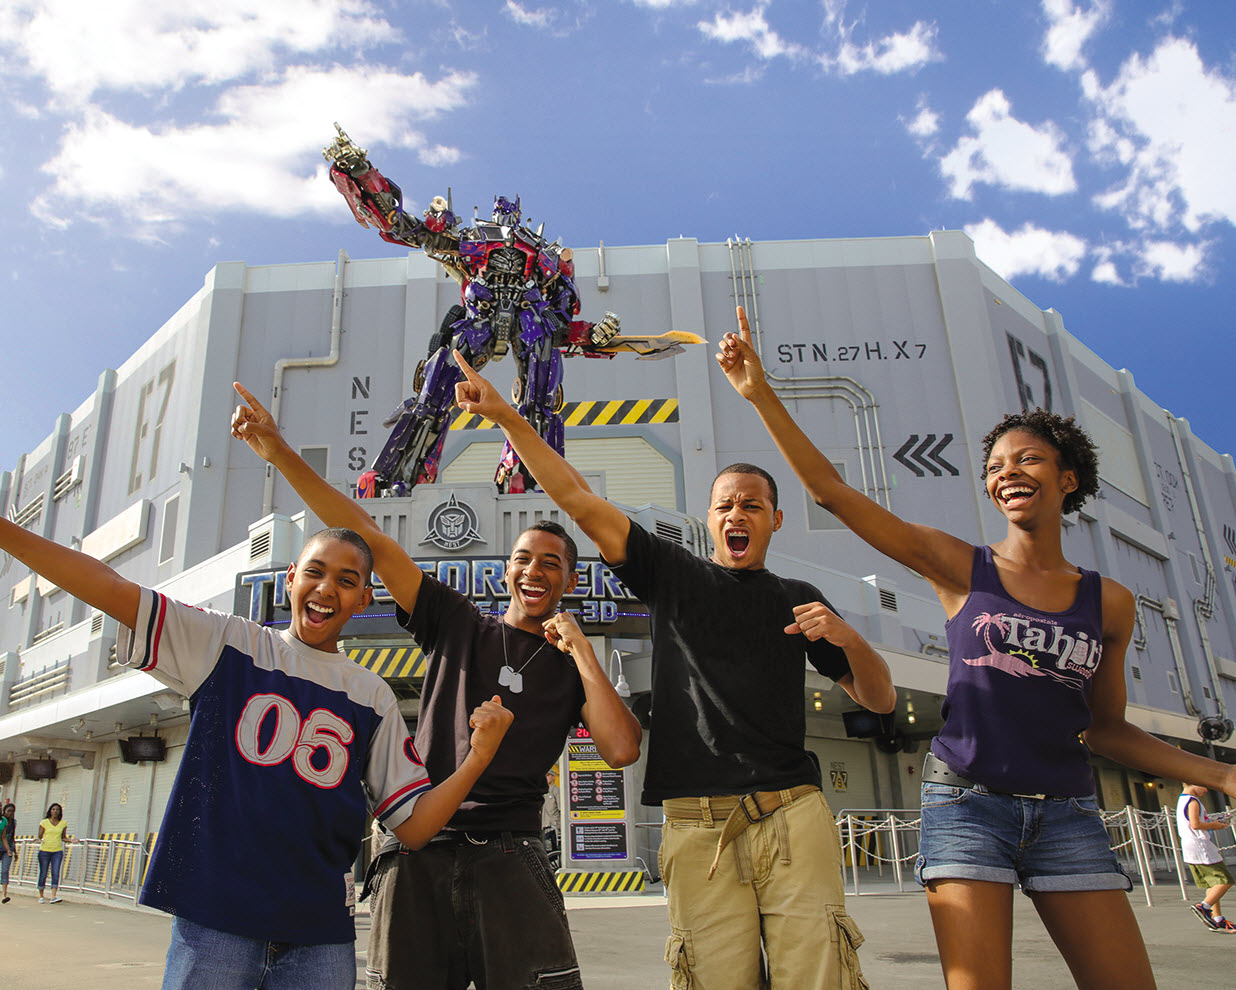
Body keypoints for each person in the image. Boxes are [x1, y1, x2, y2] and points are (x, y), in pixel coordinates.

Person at [713, 306, 1236, 990]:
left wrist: (1223, 775)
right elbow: (834, 494)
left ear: (1068, 478)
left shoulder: (1110, 603)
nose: (1007, 472)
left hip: (1069, 814)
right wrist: (760, 394)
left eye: (1028, 459)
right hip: (966, 806)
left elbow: (1106, 729)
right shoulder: (961, 566)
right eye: (995, 466)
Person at [0, 457, 513, 990]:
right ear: (290, 581)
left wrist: (478, 758)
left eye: (347, 580)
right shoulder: (227, 644)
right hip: (217, 921)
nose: (327, 589)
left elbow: (411, 826)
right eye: (315, 572)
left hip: (320, 937)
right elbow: (107, 585)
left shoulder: (373, 697)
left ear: (363, 600)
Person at [448, 351, 895, 990]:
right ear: (709, 518)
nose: (736, 515)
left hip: (792, 811)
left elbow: (878, 701)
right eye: (724, 506)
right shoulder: (673, 574)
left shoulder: (797, 598)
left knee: (817, 976)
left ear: (773, 518)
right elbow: (576, 499)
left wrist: (849, 637)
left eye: (752, 505)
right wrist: (506, 418)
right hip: (696, 822)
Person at [230, 382, 642, 990]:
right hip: (420, 851)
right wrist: (280, 453)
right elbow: (366, 533)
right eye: (526, 558)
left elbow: (622, 748)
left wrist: (582, 651)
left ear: (570, 581)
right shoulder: (457, 623)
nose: (535, 570)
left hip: (513, 855)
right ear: (507, 570)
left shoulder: (568, 667)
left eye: (552, 564)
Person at [1177, 783, 1235, 932]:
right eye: (1203, 786)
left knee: (1212, 884)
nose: (1206, 790)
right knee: (1225, 881)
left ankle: (1217, 919)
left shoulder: (1182, 799)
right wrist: (1214, 825)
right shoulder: (1193, 801)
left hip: (1190, 847)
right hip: (1200, 846)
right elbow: (1195, 824)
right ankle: (1204, 907)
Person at [36, 802, 71, 903]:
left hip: (57, 851)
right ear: (50, 811)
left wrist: (70, 840)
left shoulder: (63, 823)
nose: (55, 811)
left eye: (57, 810)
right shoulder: (44, 822)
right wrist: (38, 840)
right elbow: (40, 836)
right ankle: (41, 896)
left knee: (55, 872)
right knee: (43, 873)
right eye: (53, 809)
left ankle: (53, 896)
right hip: (45, 850)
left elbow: (63, 837)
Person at [0, 802, 17, 903]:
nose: (10, 813)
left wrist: (14, 851)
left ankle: (4, 895)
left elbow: (12, 837)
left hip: (8, 849)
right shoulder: (0, 821)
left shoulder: (13, 822)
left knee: (5, 870)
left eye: (12, 811)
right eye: (8, 811)